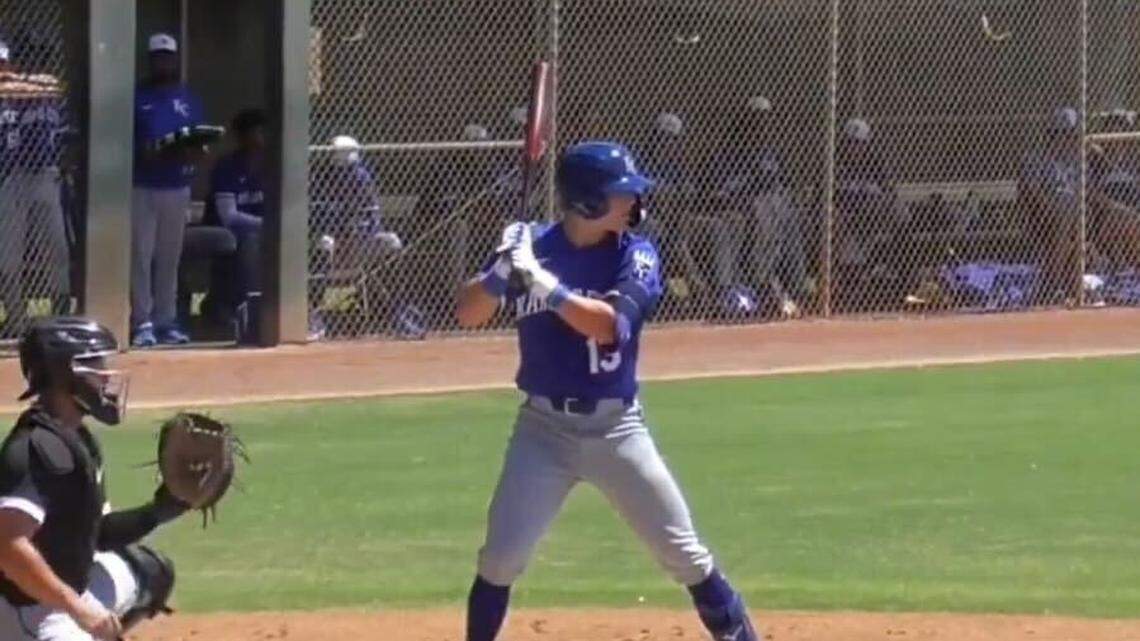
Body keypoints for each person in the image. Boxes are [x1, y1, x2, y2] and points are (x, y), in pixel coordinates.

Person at [454, 141, 761, 641]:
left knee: (684, 554)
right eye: (623, 194)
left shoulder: (636, 254)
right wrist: (500, 273)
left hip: (617, 431)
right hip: (542, 432)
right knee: (500, 559)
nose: (634, 203)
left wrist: (542, 284)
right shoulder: (533, 248)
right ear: (588, 202)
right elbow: (467, 312)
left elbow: (609, 328)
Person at [0, 316, 189, 640]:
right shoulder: (36, 449)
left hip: (64, 592)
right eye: (95, 366)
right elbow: (7, 546)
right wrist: (77, 608)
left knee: (150, 571)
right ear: (65, 374)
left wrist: (161, 508)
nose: (106, 377)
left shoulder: (77, 438)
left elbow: (97, 534)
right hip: (28, 609)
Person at [131, 33, 208, 347]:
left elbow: (201, 140)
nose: (163, 62)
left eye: (168, 57)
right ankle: (142, 321)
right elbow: (127, 143)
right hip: (143, 185)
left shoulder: (188, 98)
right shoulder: (137, 97)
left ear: (175, 59)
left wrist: (194, 149)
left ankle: (166, 320)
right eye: (158, 57)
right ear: (150, 61)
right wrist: (151, 150)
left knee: (169, 257)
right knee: (141, 256)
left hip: (177, 186)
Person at [0, 39, 71, 338]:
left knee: (56, 250)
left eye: (4, 64)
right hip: (8, 178)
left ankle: (58, 320)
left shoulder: (42, 94)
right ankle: (16, 323)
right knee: (8, 256)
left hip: (45, 176)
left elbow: (66, 136)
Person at [205, 109, 267, 319]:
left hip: (263, 229)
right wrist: (268, 225)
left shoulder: (274, 165)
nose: (260, 139)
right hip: (226, 230)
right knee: (250, 240)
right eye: (255, 133)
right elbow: (229, 216)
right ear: (241, 137)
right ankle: (249, 307)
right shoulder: (227, 166)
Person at [1018, 107, 1081, 303]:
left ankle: (1069, 290)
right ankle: (1052, 288)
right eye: (1058, 134)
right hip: (1043, 220)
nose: (1065, 140)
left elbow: (1086, 194)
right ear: (1050, 135)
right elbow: (1031, 190)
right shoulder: (1035, 159)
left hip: (1074, 219)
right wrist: (1052, 212)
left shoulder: (1078, 162)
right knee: (1064, 223)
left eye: (1070, 135)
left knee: (1073, 229)